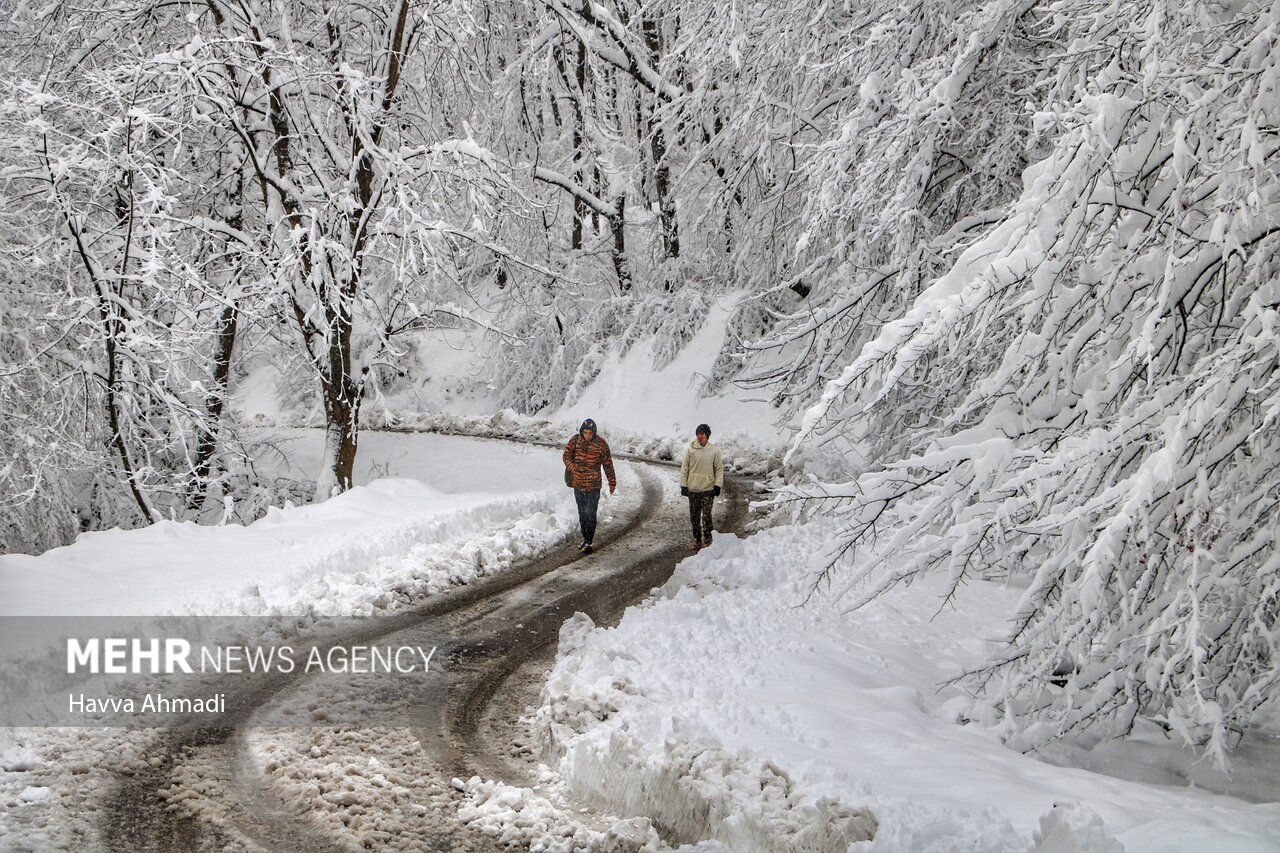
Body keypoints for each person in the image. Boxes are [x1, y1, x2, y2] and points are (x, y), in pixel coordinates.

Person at [563, 418, 616, 554]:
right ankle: (585, 538)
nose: (587, 435)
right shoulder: (575, 441)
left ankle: (589, 541)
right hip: (578, 484)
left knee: (591, 513)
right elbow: (566, 456)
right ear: (582, 431)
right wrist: (572, 467)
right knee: (582, 513)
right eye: (585, 432)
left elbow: (608, 464)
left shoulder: (601, 444)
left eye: (590, 433)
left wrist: (612, 481)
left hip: (593, 485)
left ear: (594, 433)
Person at [680, 423, 723, 551]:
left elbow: (719, 469)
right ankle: (697, 540)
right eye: (698, 434)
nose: (700, 436)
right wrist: (683, 485)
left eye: (702, 434)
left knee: (706, 517)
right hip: (693, 490)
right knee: (694, 517)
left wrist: (717, 485)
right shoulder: (690, 449)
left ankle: (708, 541)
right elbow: (685, 468)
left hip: (708, 490)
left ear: (707, 435)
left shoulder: (714, 450)